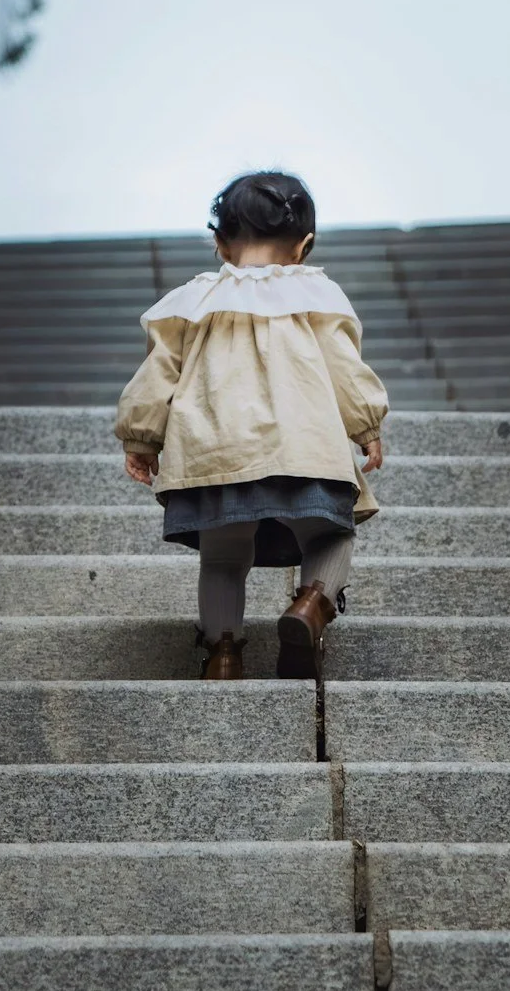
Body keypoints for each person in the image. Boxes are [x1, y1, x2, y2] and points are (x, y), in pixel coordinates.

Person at [115, 171, 389, 680]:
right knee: (329, 537)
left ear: (219, 245)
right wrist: (365, 423)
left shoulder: (190, 302)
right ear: (303, 246)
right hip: (302, 446)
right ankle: (310, 605)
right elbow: (342, 365)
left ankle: (223, 653)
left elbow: (157, 373)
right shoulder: (316, 295)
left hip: (214, 449)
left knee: (222, 556)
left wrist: (141, 435)